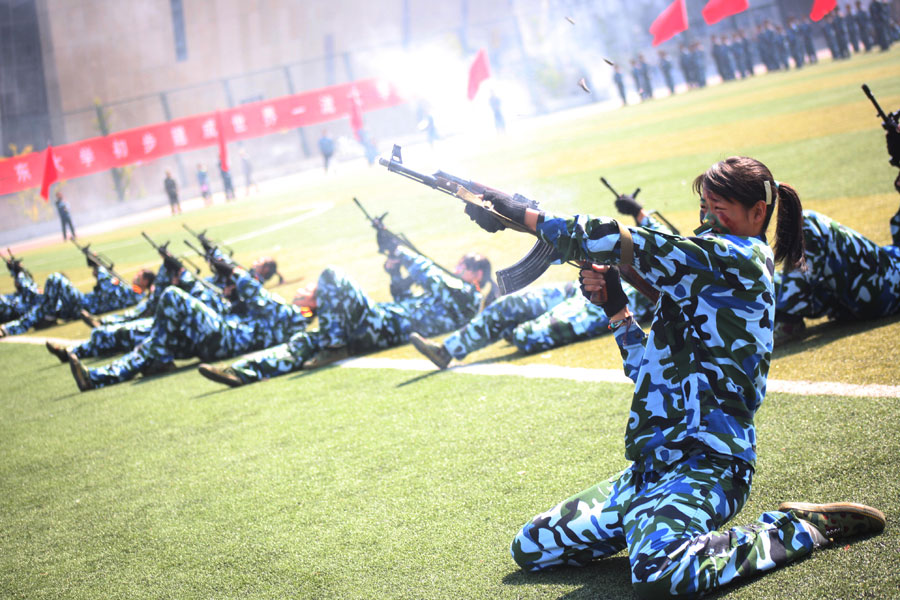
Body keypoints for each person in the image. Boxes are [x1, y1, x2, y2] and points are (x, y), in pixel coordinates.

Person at [463, 156, 884, 597]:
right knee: (531, 547)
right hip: (651, 470)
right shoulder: (699, 282)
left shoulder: (739, 259)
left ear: (757, 214)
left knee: (659, 575)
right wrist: (617, 312)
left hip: (711, 465)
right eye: (704, 205)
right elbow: (650, 375)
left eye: (719, 208)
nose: (706, 217)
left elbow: (637, 244)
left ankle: (799, 529)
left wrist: (527, 216)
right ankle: (655, 526)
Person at [410, 204, 673, 370]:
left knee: (529, 335)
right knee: (510, 303)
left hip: (612, 302)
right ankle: (446, 351)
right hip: (582, 286)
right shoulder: (680, 248)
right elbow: (662, 236)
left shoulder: (687, 272)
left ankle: (510, 330)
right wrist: (638, 211)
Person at [196, 242, 486, 387]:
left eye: (465, 265)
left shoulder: (468, 296)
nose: (458, 268)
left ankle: (336, 345)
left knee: (331, 275)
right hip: (376, 323)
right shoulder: (449, 295)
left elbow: (432, 278)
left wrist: (403, 251)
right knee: (304, 343)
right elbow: (405, 298)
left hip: (380, 326)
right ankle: (240, 371)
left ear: (478, 274)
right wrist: (395, 269)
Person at [66, 260, 308, 391]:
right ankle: (96, 378)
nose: (302, 291)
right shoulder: (272, 312)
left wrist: (236, 272)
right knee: (153, 342)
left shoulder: (292, 316)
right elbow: (219, 305)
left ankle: (158, 358)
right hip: (216, 337)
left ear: (312, 305)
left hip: (226, 340)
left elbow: (258, 297)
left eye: (308, 291)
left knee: (172, 295)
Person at [0, 264, 150, 337]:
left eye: (140, 275)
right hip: (82, 304)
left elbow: (107, 286)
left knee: (56, 279)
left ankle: (23, 324)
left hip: (84, 306)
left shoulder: (135, 294)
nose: (136, 276)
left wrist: (100, 270)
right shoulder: (131, 290)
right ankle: (47, 314)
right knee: (44, 297)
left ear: (145, 281)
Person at [0, 257, 41, 324]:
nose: (22, 264)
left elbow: (28, 288)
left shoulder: (22, 275)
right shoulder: (21, 275)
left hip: (23, 305)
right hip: (22, 303)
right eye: (20, 263)